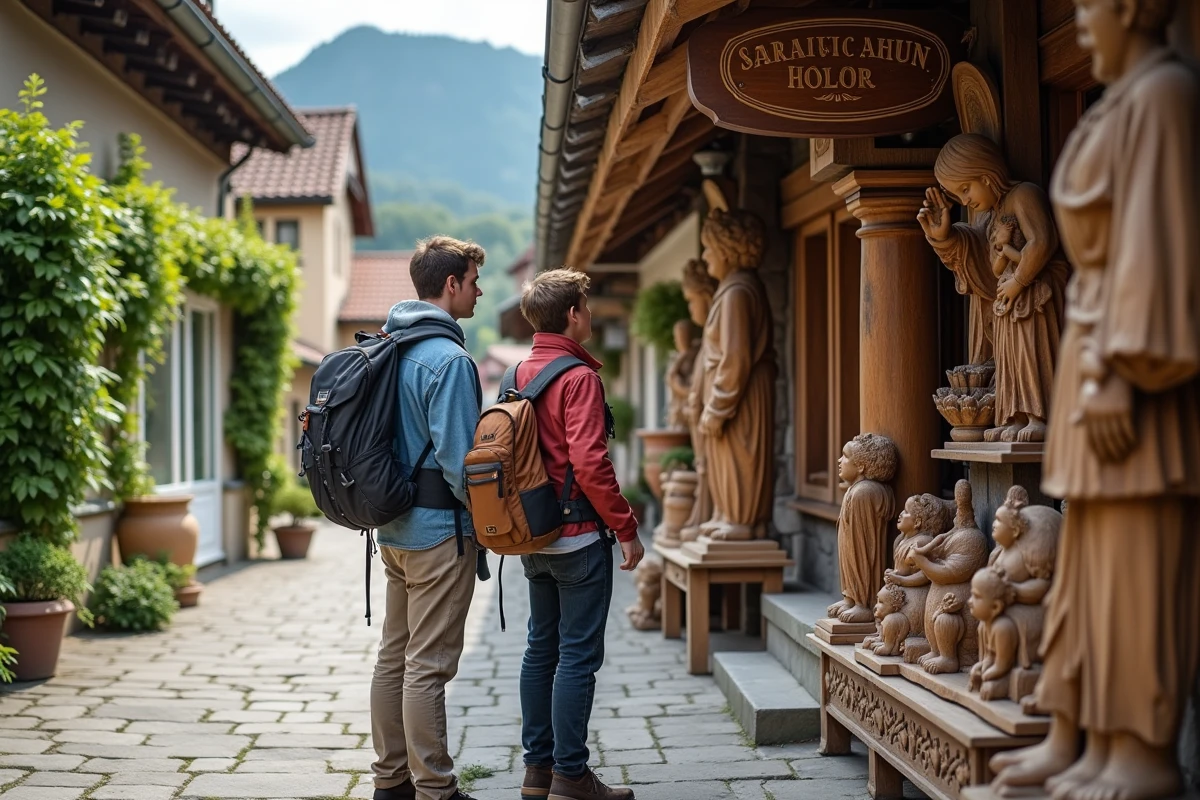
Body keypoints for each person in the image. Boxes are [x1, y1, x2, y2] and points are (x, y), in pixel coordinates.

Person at [513, 268, 643, 800]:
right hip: (580, 537)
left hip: (532, 537)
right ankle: (571, 775)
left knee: (540, 649)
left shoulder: (518, 372)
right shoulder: (579, 377)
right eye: (585, 308)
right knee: (578, 656)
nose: (588, 316)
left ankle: (536, 773)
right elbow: (590, 463)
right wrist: (627, 527)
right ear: (572, 315)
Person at [370, 236, 485, 800]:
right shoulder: (449, 359)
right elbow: (464, 463)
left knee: (395, 655)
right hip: (440, 533)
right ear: (449, 285)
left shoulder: (387, 346)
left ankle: (390, 782)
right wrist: (494, 524)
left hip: (391, 528)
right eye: (472, 281)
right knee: (428, 665)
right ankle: (436, 790)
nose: (479, 291)